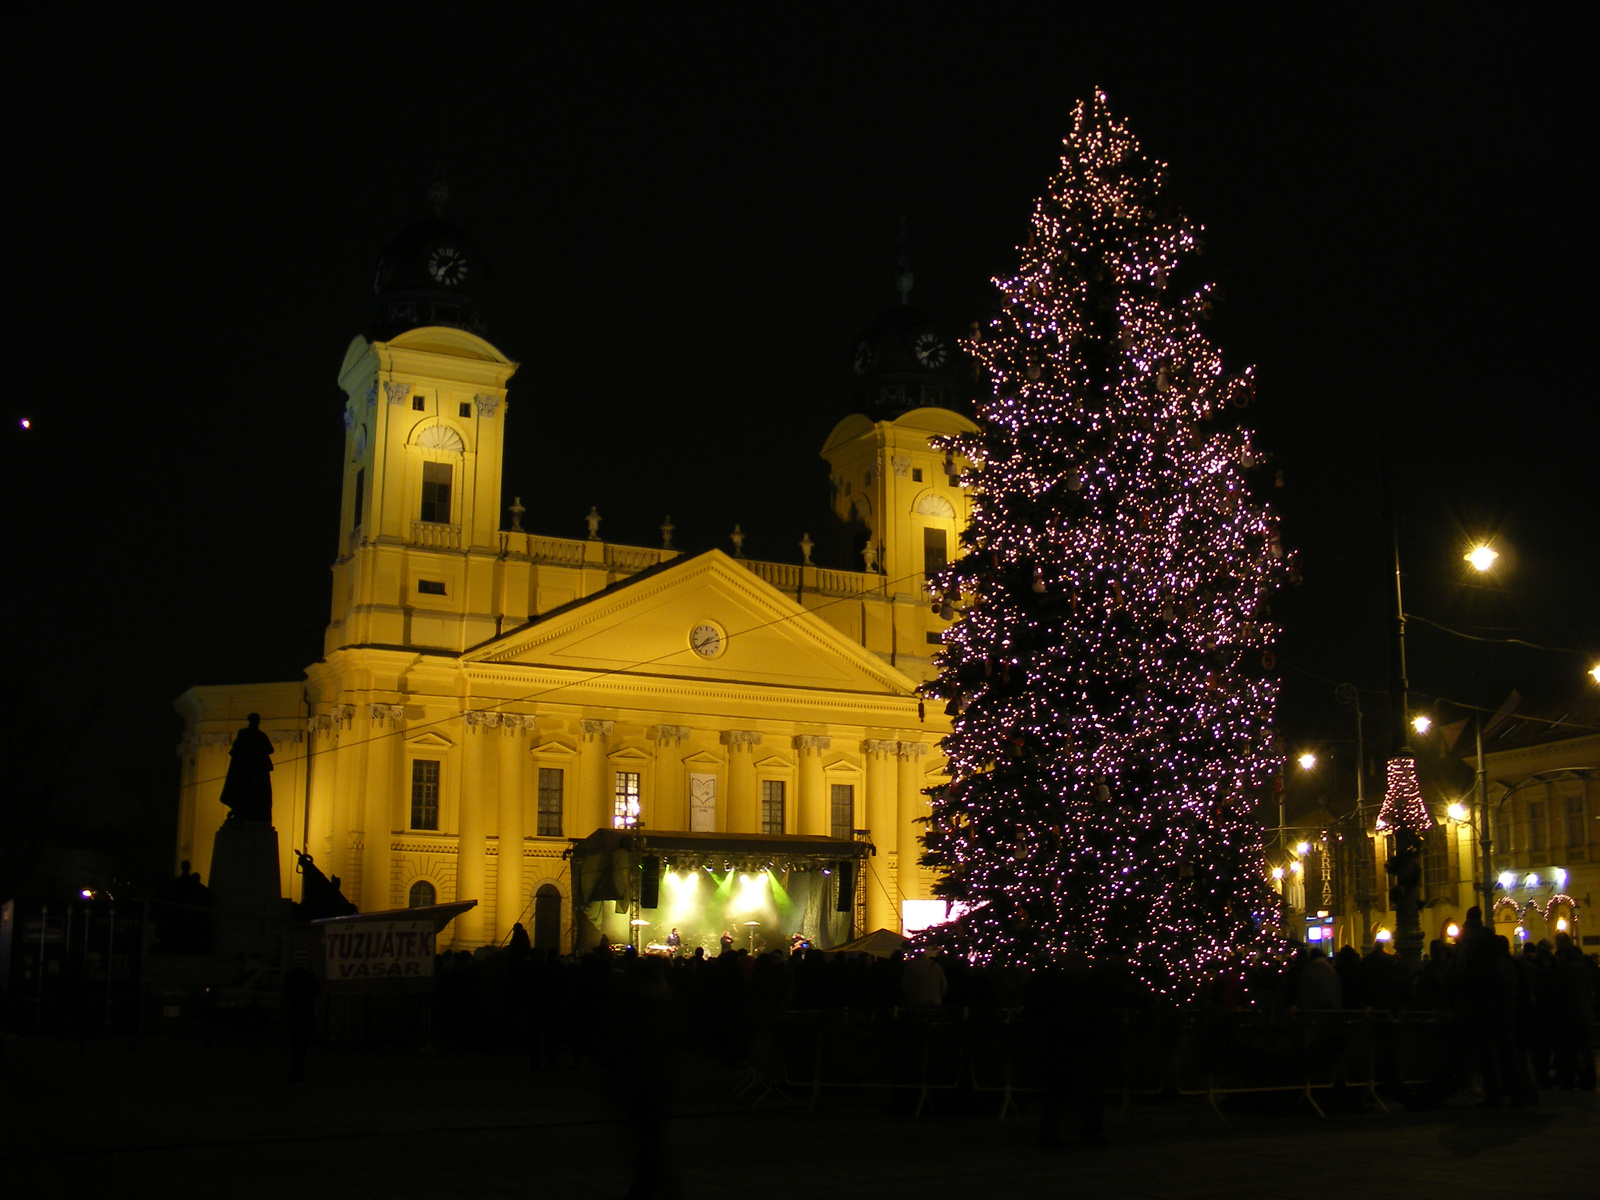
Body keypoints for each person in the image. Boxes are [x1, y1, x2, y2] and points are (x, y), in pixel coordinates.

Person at [218, 713, 275, 823]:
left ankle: (243, 812)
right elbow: (270, 750)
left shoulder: (245, 734)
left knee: (247, 793)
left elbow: (236, 749)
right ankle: (244, 813)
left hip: (247, 772)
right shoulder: (260, 735)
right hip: (253, 772)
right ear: (257, 722)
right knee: (253, 793)